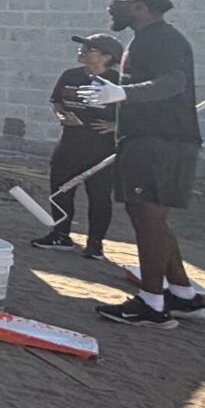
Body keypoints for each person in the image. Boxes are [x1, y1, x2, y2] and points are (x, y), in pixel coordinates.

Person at [79, 0, 205, 327]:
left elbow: (173, 82)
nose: (110, 6)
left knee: (148, 219)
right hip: (155, 140)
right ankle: (183, 295)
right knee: (151, 219)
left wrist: (123, 94)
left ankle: (152, 304)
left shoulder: (161, 39)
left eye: (117, 1)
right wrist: (118, 86)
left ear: (139, 6)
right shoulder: (146, 40)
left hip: (158, 142)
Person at [32, 33, 123, 257]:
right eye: (82, 46)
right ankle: (61, 235)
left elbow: (138, 113)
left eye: (90, 48)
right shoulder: (70, 76)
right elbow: (57, 102)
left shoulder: (120, 82)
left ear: (106, 56)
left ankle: (95, 244)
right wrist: (62, 116)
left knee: (99, 195)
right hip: (70, 142)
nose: (82, 50)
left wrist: (115, 125)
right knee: (60, 189)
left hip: (101, 148)